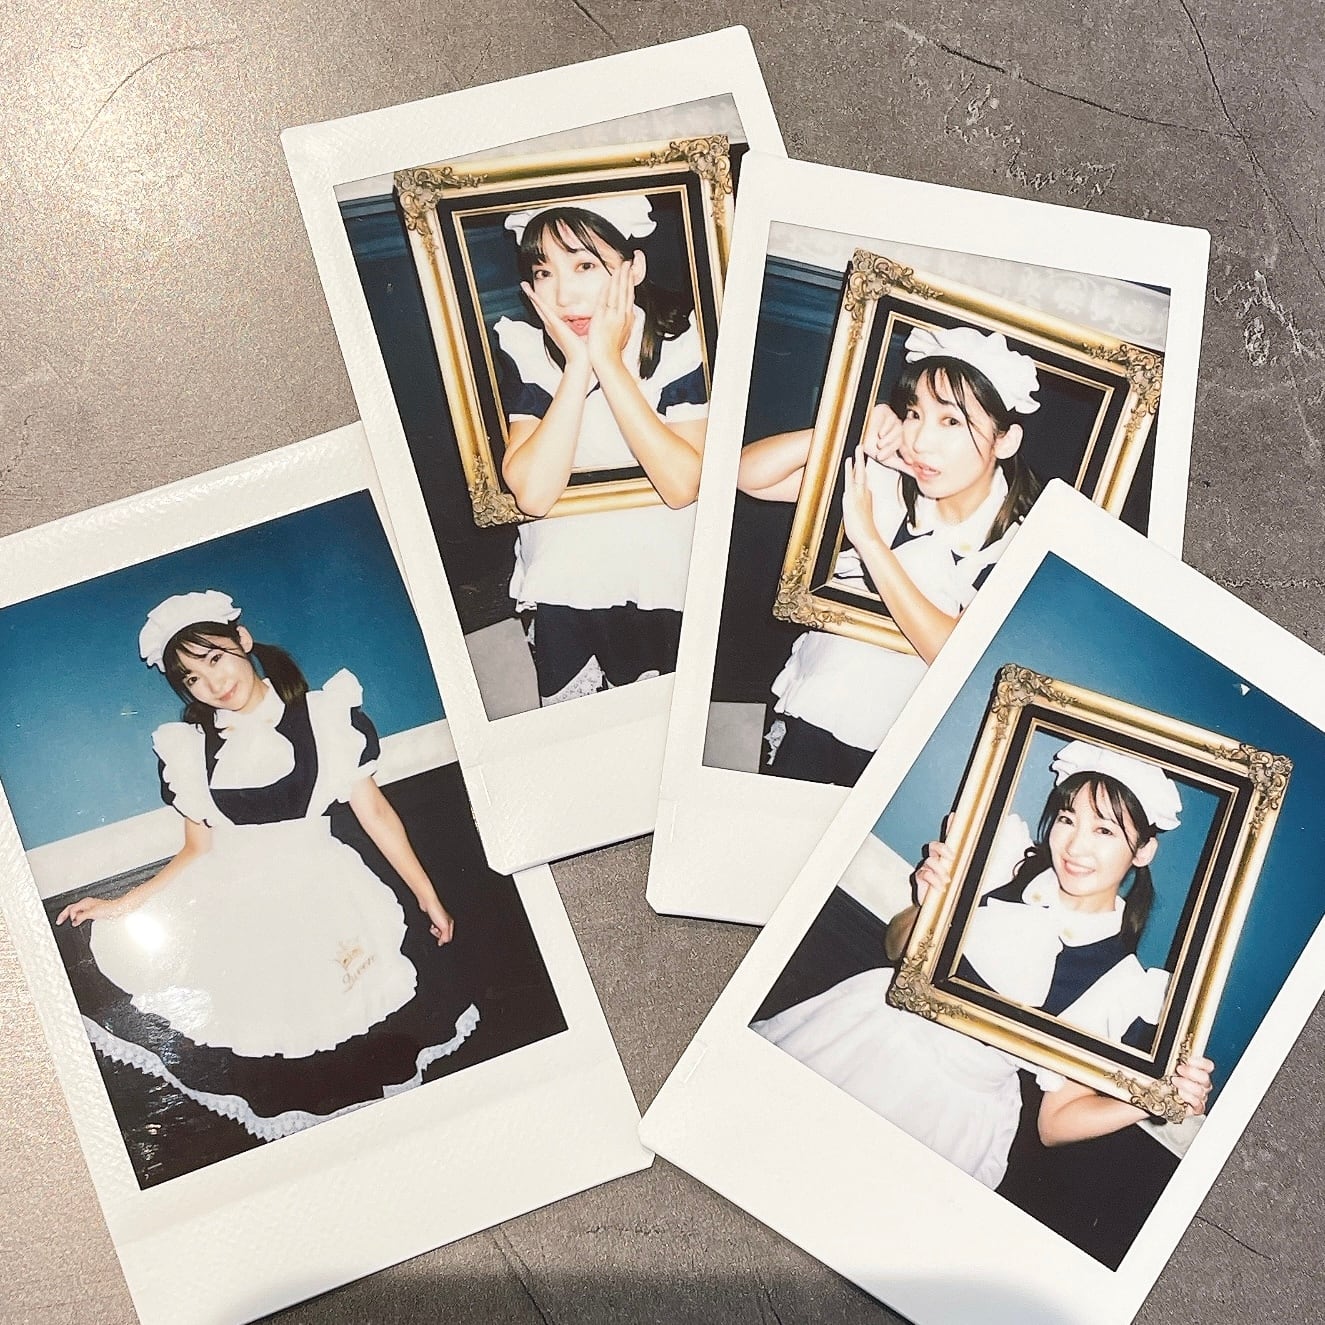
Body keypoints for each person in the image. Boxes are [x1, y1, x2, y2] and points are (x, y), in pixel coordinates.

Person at [56, 591, 478, 1137]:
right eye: (192, 678)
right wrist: (121, 905)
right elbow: (197, 849)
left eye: (215, 658)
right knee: (277, 1035)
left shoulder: (326, 717)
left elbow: (374, 812)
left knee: (353, 1018)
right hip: (240, 907)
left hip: (326, 890)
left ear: (243, 640)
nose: (212, 684)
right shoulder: (189, 750)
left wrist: (427, 896)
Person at [752, 740, 1214, 1190]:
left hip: (956, 1113)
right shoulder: (1001, 864)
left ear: (1143, 850)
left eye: (1105, 831)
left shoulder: (1118, 983)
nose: (1075, 846)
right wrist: (930, 906)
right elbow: (895, 947)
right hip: (868, 1033)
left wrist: (1156, 1098)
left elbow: (1053, 1124)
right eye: (1067, 819)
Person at [738, 324, 1044, 786]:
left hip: (896, 758)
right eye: (915, 414)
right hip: (813, 716)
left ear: (1005, 441)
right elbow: (750, 476)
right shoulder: (889, 483)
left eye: (951, 421)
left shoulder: (1019, 542)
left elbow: (957, 654)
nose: (920, 441)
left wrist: (869, 542)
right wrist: (848, 428)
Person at [493, 195, 708, 705]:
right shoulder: (529, 350)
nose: (564, 294)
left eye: (586, 266)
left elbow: (682, 485)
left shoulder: (681, 343)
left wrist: (608, 363)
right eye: (544, 273)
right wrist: (577, 366)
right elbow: (533, 495)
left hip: (661, 580)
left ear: (634, 268)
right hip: (565, 584)